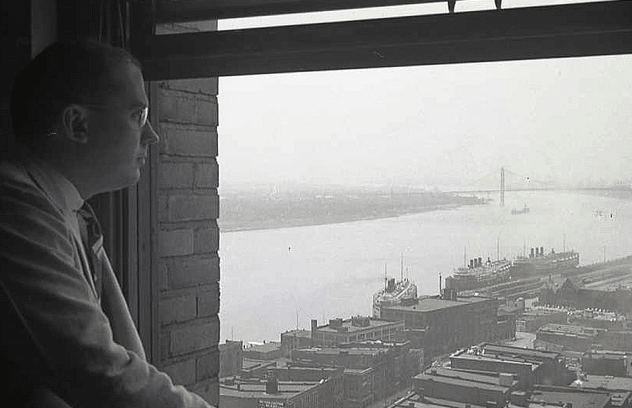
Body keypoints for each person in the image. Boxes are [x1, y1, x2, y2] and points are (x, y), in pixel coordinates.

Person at [0, 40, 214, 408]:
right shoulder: (17, 215)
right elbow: (102, 376)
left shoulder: (66, 213)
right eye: (138, 116)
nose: (153, 136)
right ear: (77, 124)